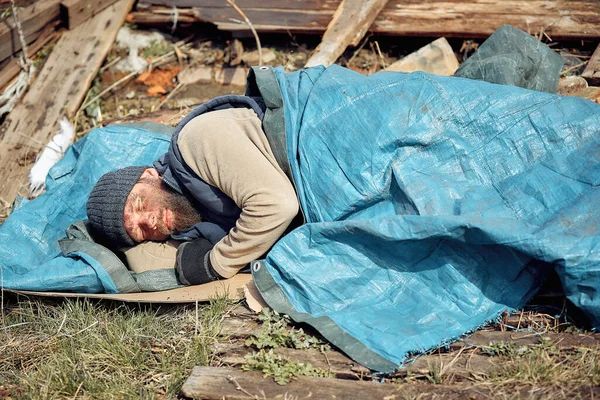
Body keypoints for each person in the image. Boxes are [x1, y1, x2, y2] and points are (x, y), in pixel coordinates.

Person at [86, 99, 299, 286]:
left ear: (149, 174)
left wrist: (216, 263)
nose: (150, 221)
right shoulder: (191, 221)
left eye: (140, 204)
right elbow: (146, 263)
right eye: (141, 231)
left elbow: (277, 205)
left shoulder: (194, 142)